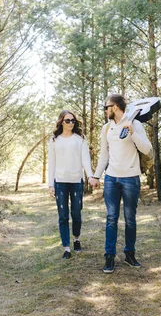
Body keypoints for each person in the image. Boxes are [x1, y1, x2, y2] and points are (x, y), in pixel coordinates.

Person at [89, 94, 152, 273]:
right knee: (111, 218)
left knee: (130, 219)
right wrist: (96, 175)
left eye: (106, 107)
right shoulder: (106, 128)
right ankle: (109, 257)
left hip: (131, 178)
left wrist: (132, 132)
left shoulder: (135, 123)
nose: (105, 110)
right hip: (111, 179)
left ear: (115, 107)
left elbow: (147, 149)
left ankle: (130, 254)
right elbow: (104, 155)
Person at [47, 110, 96, 259]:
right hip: (60, 182)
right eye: (67, 120)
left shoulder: (80, 138)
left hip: (76, 181)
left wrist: (90, 176)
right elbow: (52, 163)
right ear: (61, 121)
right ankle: (66, 248)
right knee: (63, 216)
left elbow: (85, 159)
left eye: (73, 120)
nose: (70, 123)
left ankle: (76, 239)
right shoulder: (54, 140)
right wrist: (51, 185)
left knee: (76, 214)